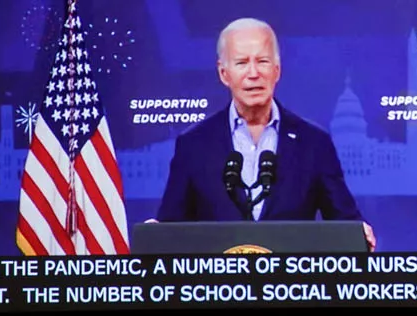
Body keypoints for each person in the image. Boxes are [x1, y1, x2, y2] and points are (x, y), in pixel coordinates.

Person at [154, 18, 375, 249]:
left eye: (262, 61)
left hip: (290, 282)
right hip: (217, 282)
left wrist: (358, 232)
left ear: (276, 70)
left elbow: (344, 222)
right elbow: (171, 230)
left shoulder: (314, 143)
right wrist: (157, 235)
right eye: (241, 62)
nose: (253, 73)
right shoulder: (193, 145)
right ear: (223, 73)